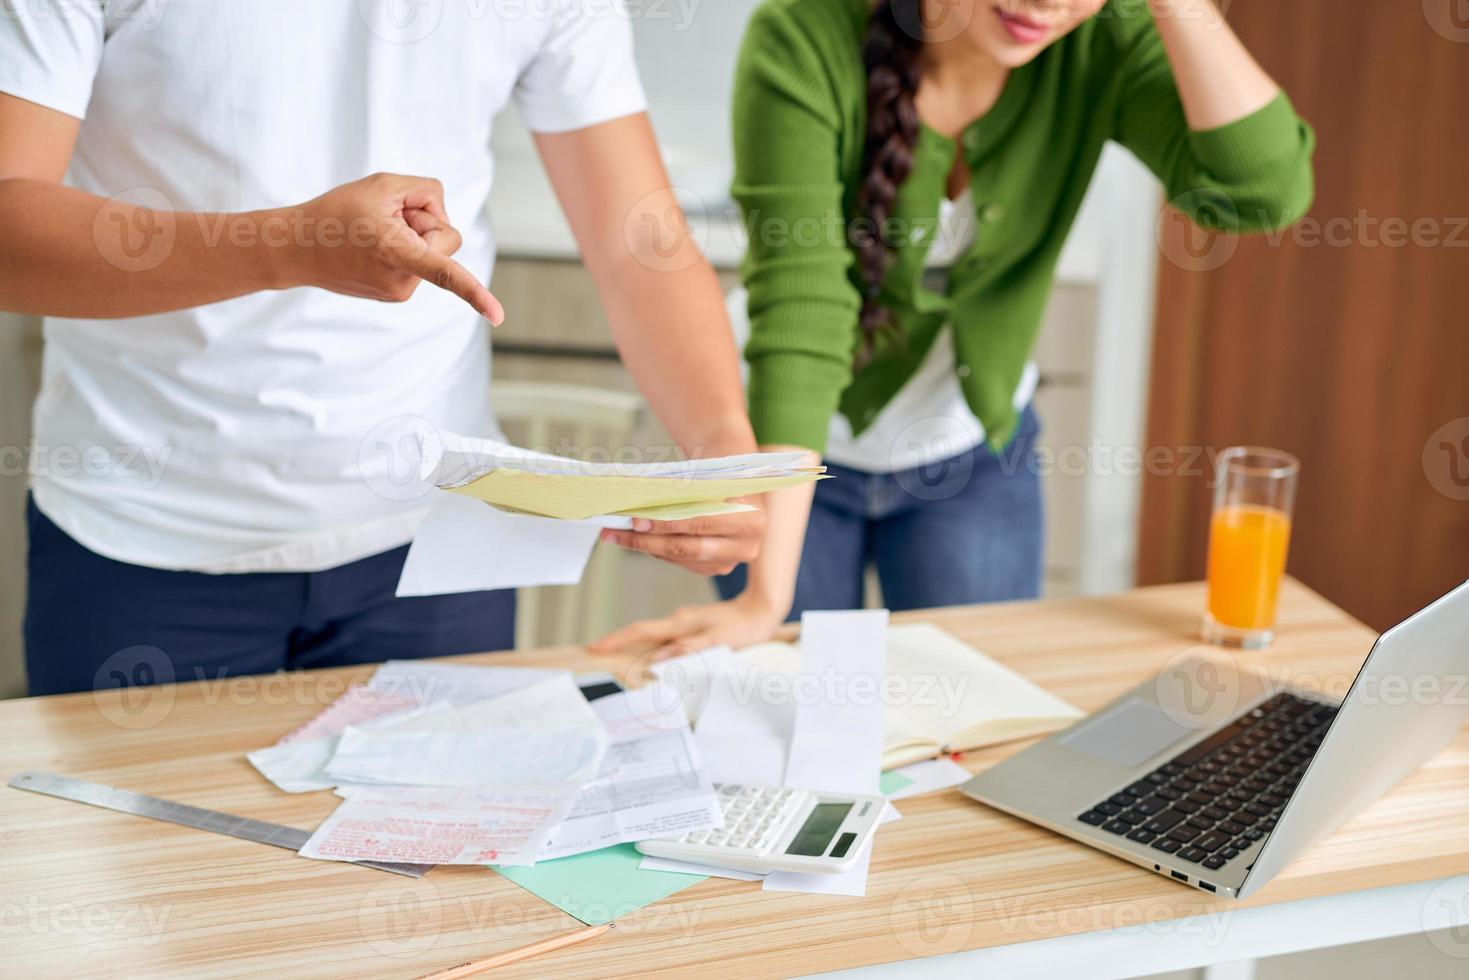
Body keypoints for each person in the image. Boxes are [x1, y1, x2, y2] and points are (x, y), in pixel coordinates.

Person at [0, 1, 778, 695]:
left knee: (443, 859)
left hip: (436, 548)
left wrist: (723, 460)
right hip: (142, 544)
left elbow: (640, 245)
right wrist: (289, 246)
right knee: (149, 865)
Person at [593, 0, 1314, 656]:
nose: (1048, 4)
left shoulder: (1103, 38)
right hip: (789, 451)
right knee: (791, 717)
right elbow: (804, 305)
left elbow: (1260, 194)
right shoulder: (803, 32)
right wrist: (764, 598)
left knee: (962, 732)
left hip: (967, 456)